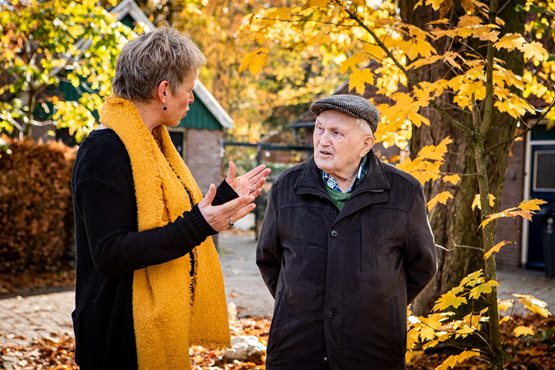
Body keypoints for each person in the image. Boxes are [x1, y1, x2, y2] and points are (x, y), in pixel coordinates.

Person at [71, 26, 270, 370]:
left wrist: (223, 200)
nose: (191, 99)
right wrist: (199, 225)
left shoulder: (153, 145)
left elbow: (170, 215)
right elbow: (110, 252)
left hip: (143, 325)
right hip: (117, 335)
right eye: (190, 89)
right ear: (164, 91)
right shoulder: (105, 150)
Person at [256, 94, 437, 369]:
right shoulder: (286, 187)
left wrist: (380, 303)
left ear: (366, 144)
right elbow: (269, 260)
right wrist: (298, 301)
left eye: (336, 133)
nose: (323, 140)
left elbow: (422, 265)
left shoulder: (403, 192)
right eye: (319, 129)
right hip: (297, 347)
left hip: (372, 349)